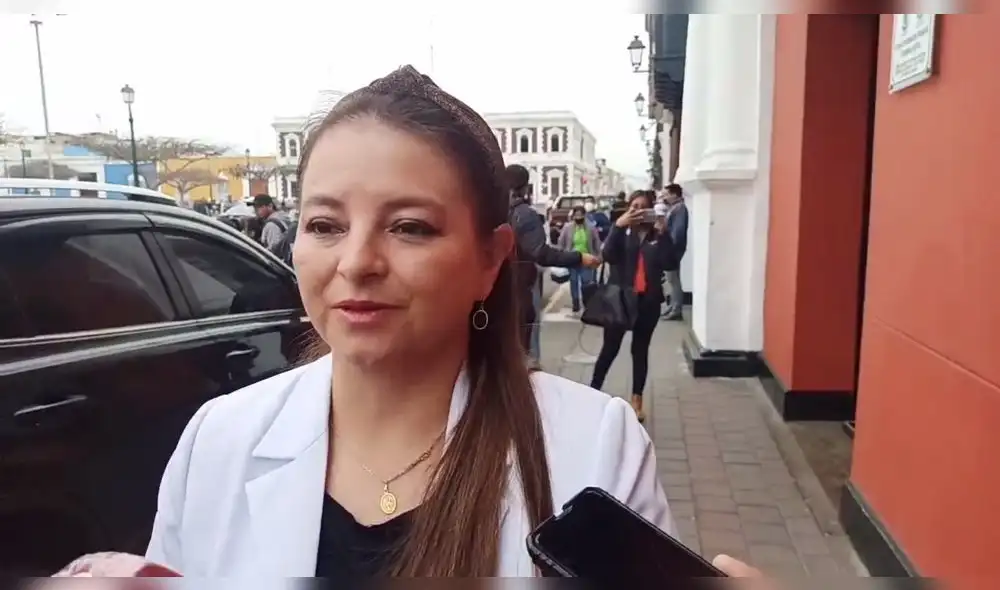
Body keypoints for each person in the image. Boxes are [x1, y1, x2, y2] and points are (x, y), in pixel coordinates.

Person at [55, 65, 766, 580]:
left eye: (410, 227)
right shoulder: (221, 440)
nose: (357, 262)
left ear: (490, 260)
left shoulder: (591, 447)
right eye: (325, 224)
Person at [590, 190, 678, 422]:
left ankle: (637, 400)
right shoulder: (622, 231)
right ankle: (592, 392)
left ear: (650, 210)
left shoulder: (656, 235)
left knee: (640, 351)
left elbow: (670, 262)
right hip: (621, 300)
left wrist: (664, 234)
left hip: (648, 302)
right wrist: (618, 226)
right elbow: (608, 255)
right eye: (634, 206)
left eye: (643, 207)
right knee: (610, 349)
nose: (637, 211)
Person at [508, 163, 600, 354]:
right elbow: (541, 253)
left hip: (491, 287)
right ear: (525, 188)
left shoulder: (487, 210)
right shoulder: (525, 214)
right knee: (527, 341)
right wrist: (578, 258)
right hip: (519, 284)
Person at [557, 205, 601, 315]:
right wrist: (561, 255)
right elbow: (561, 242)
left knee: (587, 282)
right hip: (572, 258)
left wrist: (599, 257)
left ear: (584, 216)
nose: (578, 217)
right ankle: (575, 303)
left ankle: (587, 303)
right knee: (574, 281)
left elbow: (597, 242)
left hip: (587, 259)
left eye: (580, 215)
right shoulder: (568, 227)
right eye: (576, 215)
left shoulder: (590, 228)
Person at [661, 183, 688, 321]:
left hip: (673, 249)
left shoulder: (680, 209)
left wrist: (670, 246)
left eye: (667, 194)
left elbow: (678, 232)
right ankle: (672, 306)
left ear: (674, 194)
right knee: (671, 280)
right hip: (670, 248)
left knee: (674, 279)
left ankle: (676, 309)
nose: (665, 197)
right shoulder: (674, 208)